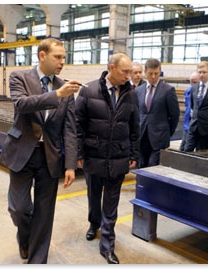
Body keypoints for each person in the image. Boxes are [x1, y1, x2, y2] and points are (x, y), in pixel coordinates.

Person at [0, 38, 82, 264]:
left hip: (50, 156)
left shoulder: (65, 88)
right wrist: (57, 95)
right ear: (42, 56)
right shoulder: (20, 77)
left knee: (44, 214)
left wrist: (70, 165)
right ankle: (25, 239)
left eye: (64, 57)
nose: (62, 62)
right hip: (22, 152)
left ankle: (37, 262)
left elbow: (70, 130)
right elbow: (22, 105)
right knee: (19, 208)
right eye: (57, 57)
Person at [75, 53, 140, 264]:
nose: (129, 76)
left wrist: (134, 154)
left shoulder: (131, 94)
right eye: (125, 71)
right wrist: (78, 154)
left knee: (111, 202)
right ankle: (94, 224)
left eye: (130, 71)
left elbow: (135, 127)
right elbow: (77, 125)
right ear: (112, 68)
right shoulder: (88, 90)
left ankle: (107, 245)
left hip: (119, 156)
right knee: (94, 195)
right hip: (94, 155)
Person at [135, 58, 180, 168]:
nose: (153, 77)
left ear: (160, 71)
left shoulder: (168, 90)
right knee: (142, 165)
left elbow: (174, 115)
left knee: (153, 166)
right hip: (143, 135)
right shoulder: (138, 91)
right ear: (145, 72)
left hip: (160, 137)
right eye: (150, 73)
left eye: (156, 73)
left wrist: (167, 133)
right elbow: (137, 113)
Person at [179, 71, 199, 151]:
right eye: (191, 82)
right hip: (187, 124)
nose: (192, 84)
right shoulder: (188, 91)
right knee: (183, 147)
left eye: (195, 82)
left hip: (197, 124)